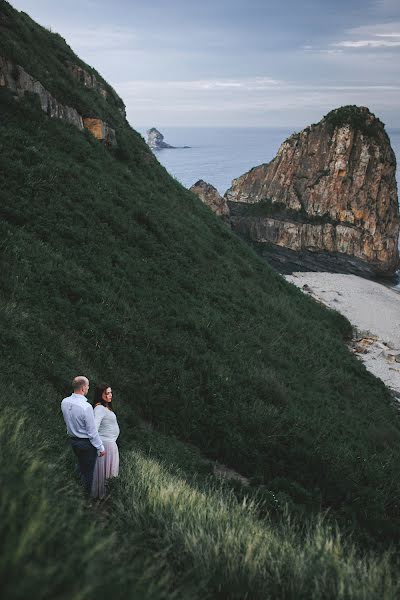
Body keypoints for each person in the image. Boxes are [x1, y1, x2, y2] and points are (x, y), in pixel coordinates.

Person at [61, 376, 106, 493]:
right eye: (88, 386)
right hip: (86, 444)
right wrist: (100, 447)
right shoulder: (86, 407)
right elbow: (92, 432)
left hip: (73, 441)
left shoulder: (64, 402)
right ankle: (85, 498)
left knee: (80, 466)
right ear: (83, 388)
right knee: (88, 473)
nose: (88, 388)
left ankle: (73, 491)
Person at [91, 383, 120, 499]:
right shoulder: (99, 408)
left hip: (111, 444)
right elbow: (94, 428)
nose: (110, 395)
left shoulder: (106, 407)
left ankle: (106, 497)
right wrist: (99, 446)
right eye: (107, 393)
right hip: (105, 445)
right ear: (100, 394)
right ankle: (100, 498)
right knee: (104, 472)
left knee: (109, 472)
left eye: (111, 392)